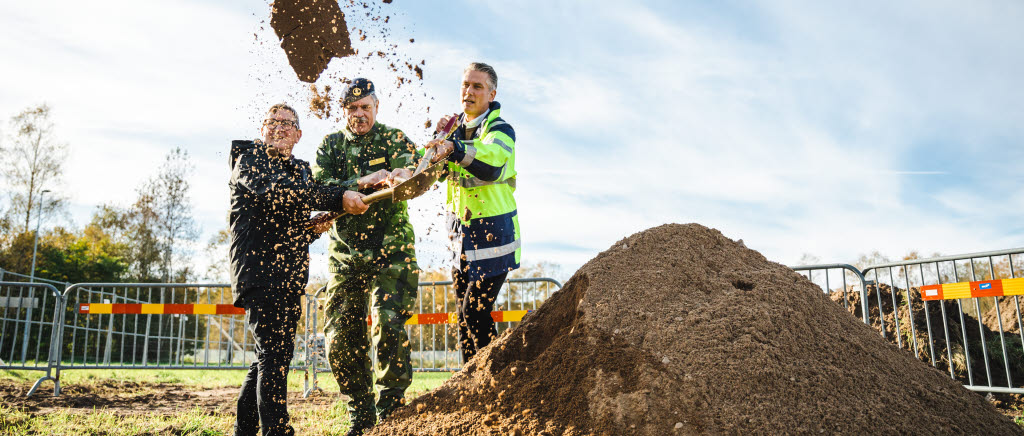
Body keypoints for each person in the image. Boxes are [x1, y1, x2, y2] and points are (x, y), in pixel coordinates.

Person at [229, 103, 368, 436]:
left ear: (299, 134)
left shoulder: (301, 171)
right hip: (259, 271)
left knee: (271, 355)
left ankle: (244, 430)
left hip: (290, 274)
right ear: (262, 129)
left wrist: (312, 228)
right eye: (272, 122)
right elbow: (280, 195)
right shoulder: (250, 160)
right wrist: (338, 196)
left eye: (287, 124)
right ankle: (278, 431)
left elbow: (290, 217)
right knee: (272, 355)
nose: (279, 128)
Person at [311, 78, 420, 436]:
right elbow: (319, 187)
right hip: (346, 254)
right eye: (353, 109)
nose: (359, 114)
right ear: (343, 110)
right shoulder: (330, 145)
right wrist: (359, 184)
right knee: (341, 334)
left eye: (366, 107)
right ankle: (361, 410)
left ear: (377, 107)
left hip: (393, 250)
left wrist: (404, 175)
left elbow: (413, 171)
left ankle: (391, 410)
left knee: (388, 324)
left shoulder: (394, 138)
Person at [425, 62, 520, 364]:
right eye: (465, 85)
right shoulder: (454, 131)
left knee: (475, 311)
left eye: (477, 86)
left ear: (491, 94)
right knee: (462, 317)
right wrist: (437, 137)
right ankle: (469, 382)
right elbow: (429, 172)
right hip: (461, 238)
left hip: (493, 236)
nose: (468, 91)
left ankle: (498, 377)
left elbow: (491, 164)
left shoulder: (500, 129)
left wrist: (452, 145)